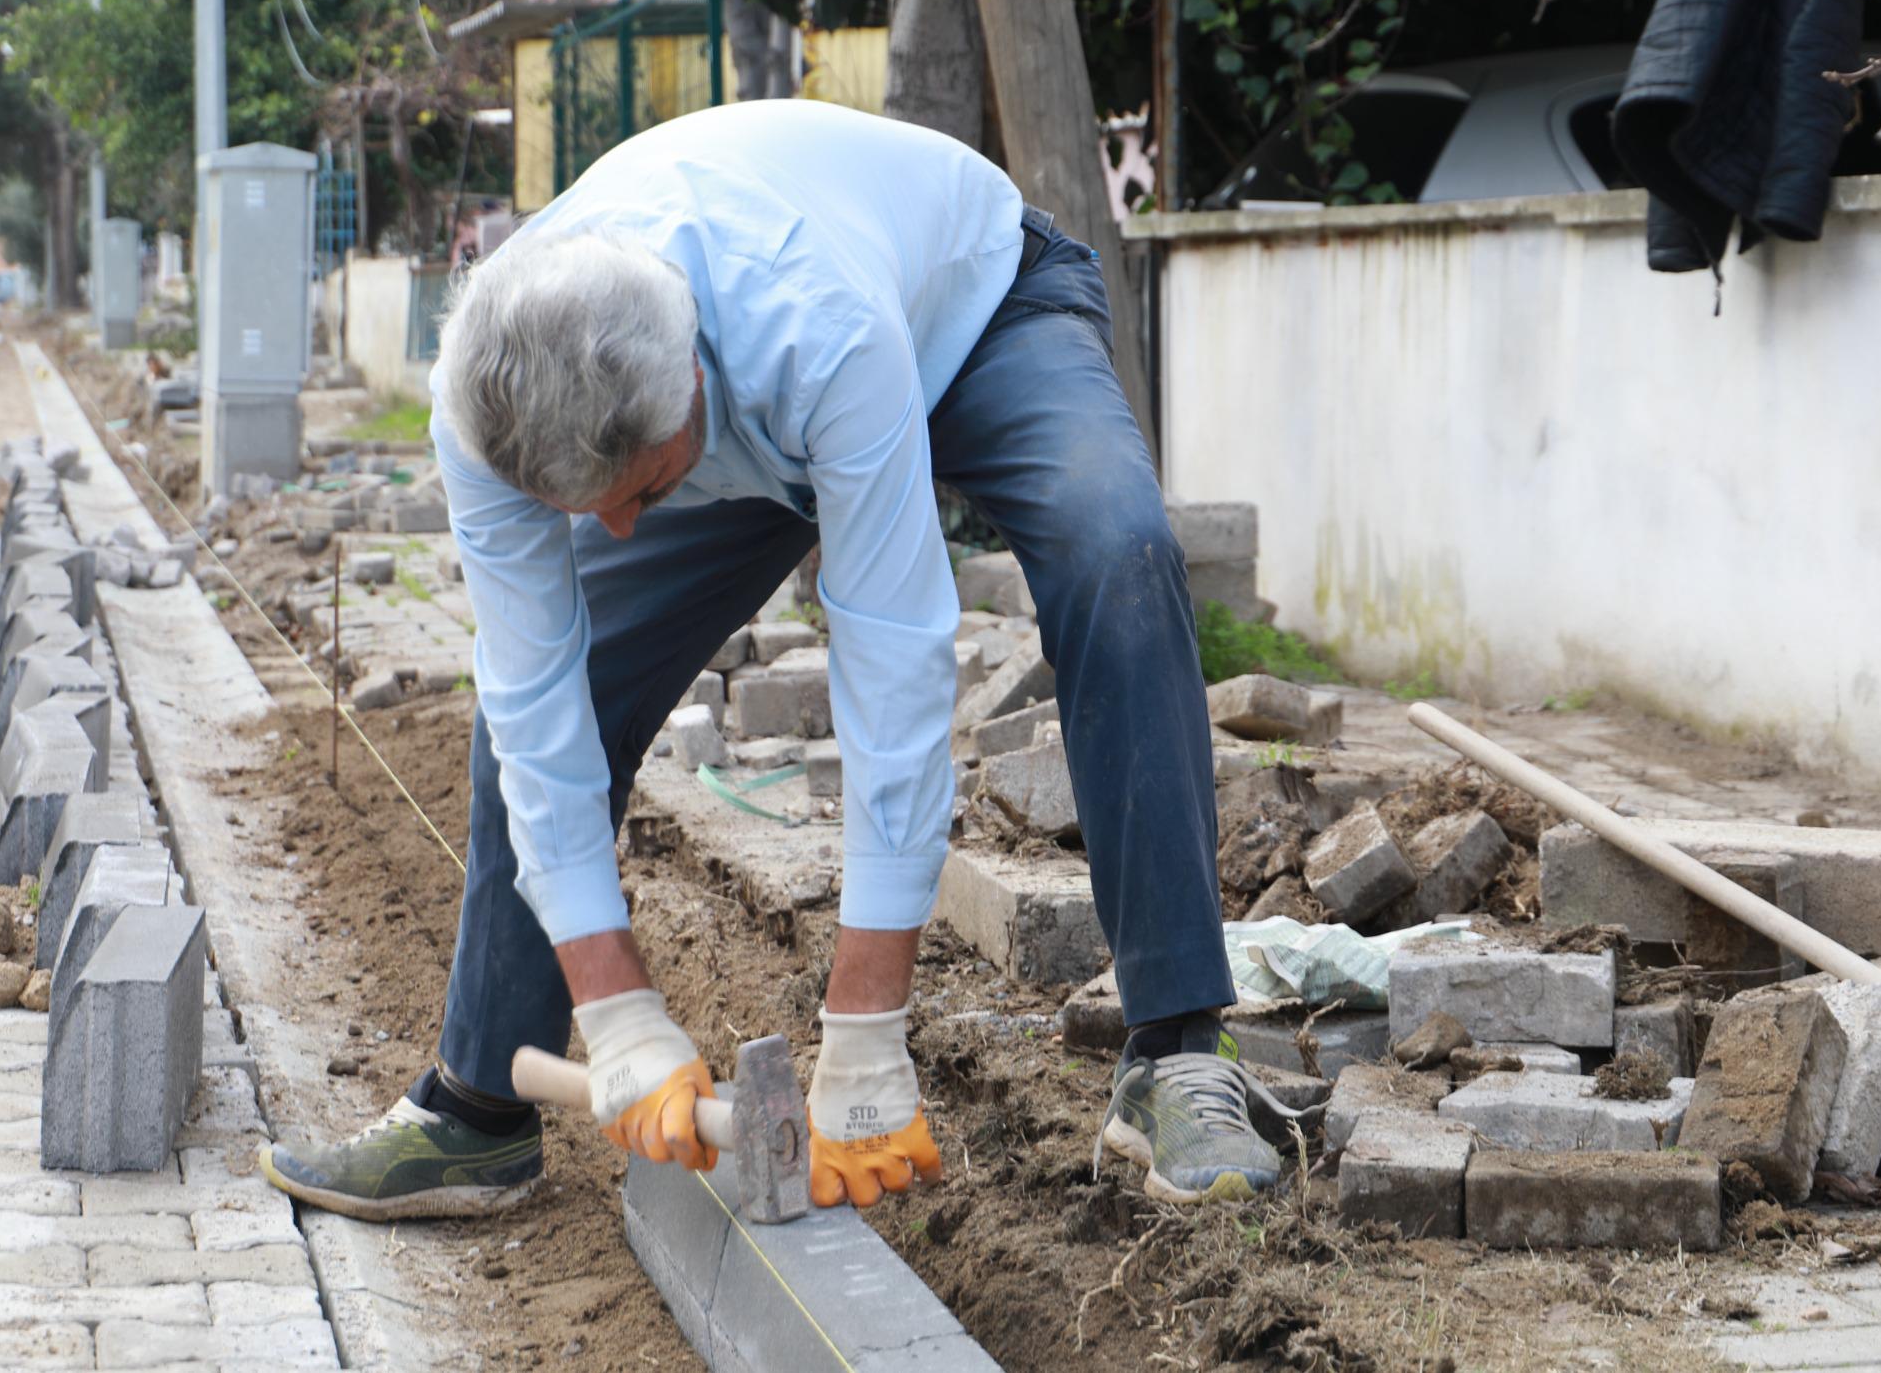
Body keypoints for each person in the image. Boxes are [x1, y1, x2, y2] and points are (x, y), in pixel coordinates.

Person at [260, 100, 1275, 1220]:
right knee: (565, 689)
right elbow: (533, 701)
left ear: (689, 382)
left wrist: (865, 1035)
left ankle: (1177, 1048)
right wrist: (615, 1009)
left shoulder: (812, 323)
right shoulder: (485, 399)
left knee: (1117, 549)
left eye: (640, 493)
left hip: (977, 305)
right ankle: (479, 1106)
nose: (621, 534)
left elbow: (891, 667)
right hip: (741, 422)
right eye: (584, 509)